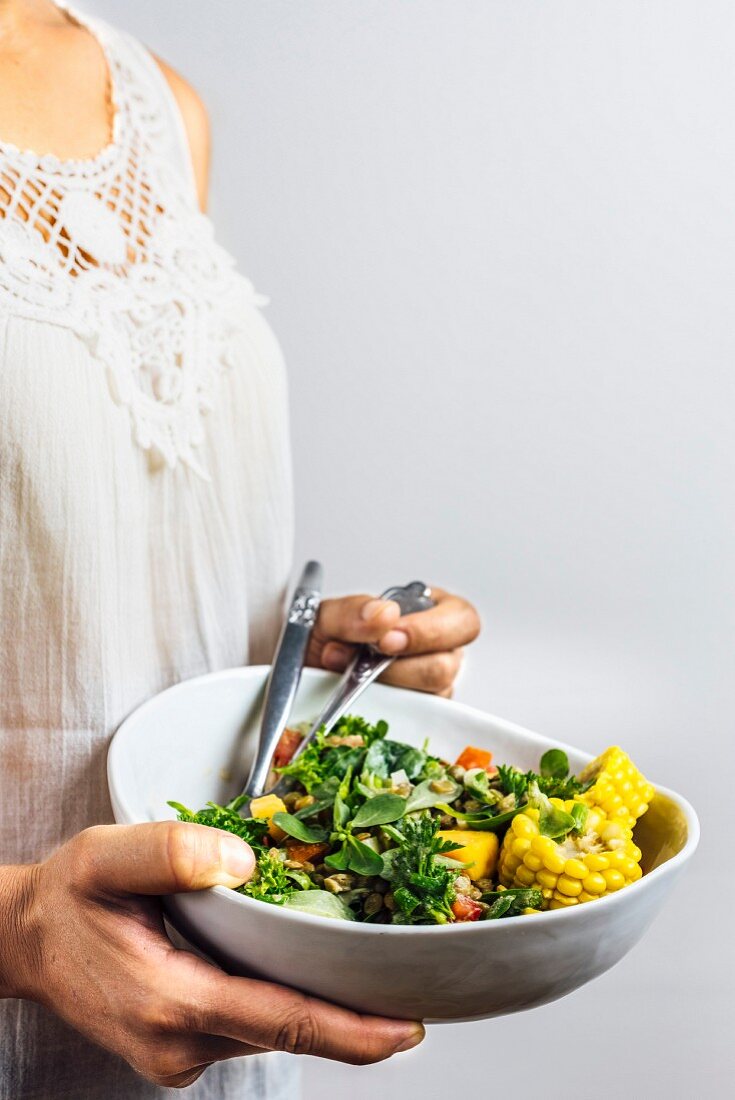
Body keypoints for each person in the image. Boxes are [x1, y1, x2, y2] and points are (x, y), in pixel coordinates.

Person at [0, 2, 481, 1097]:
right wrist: (23, 927)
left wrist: (316, 666)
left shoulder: (160, 105)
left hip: (217, 1016)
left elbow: (94, 556)